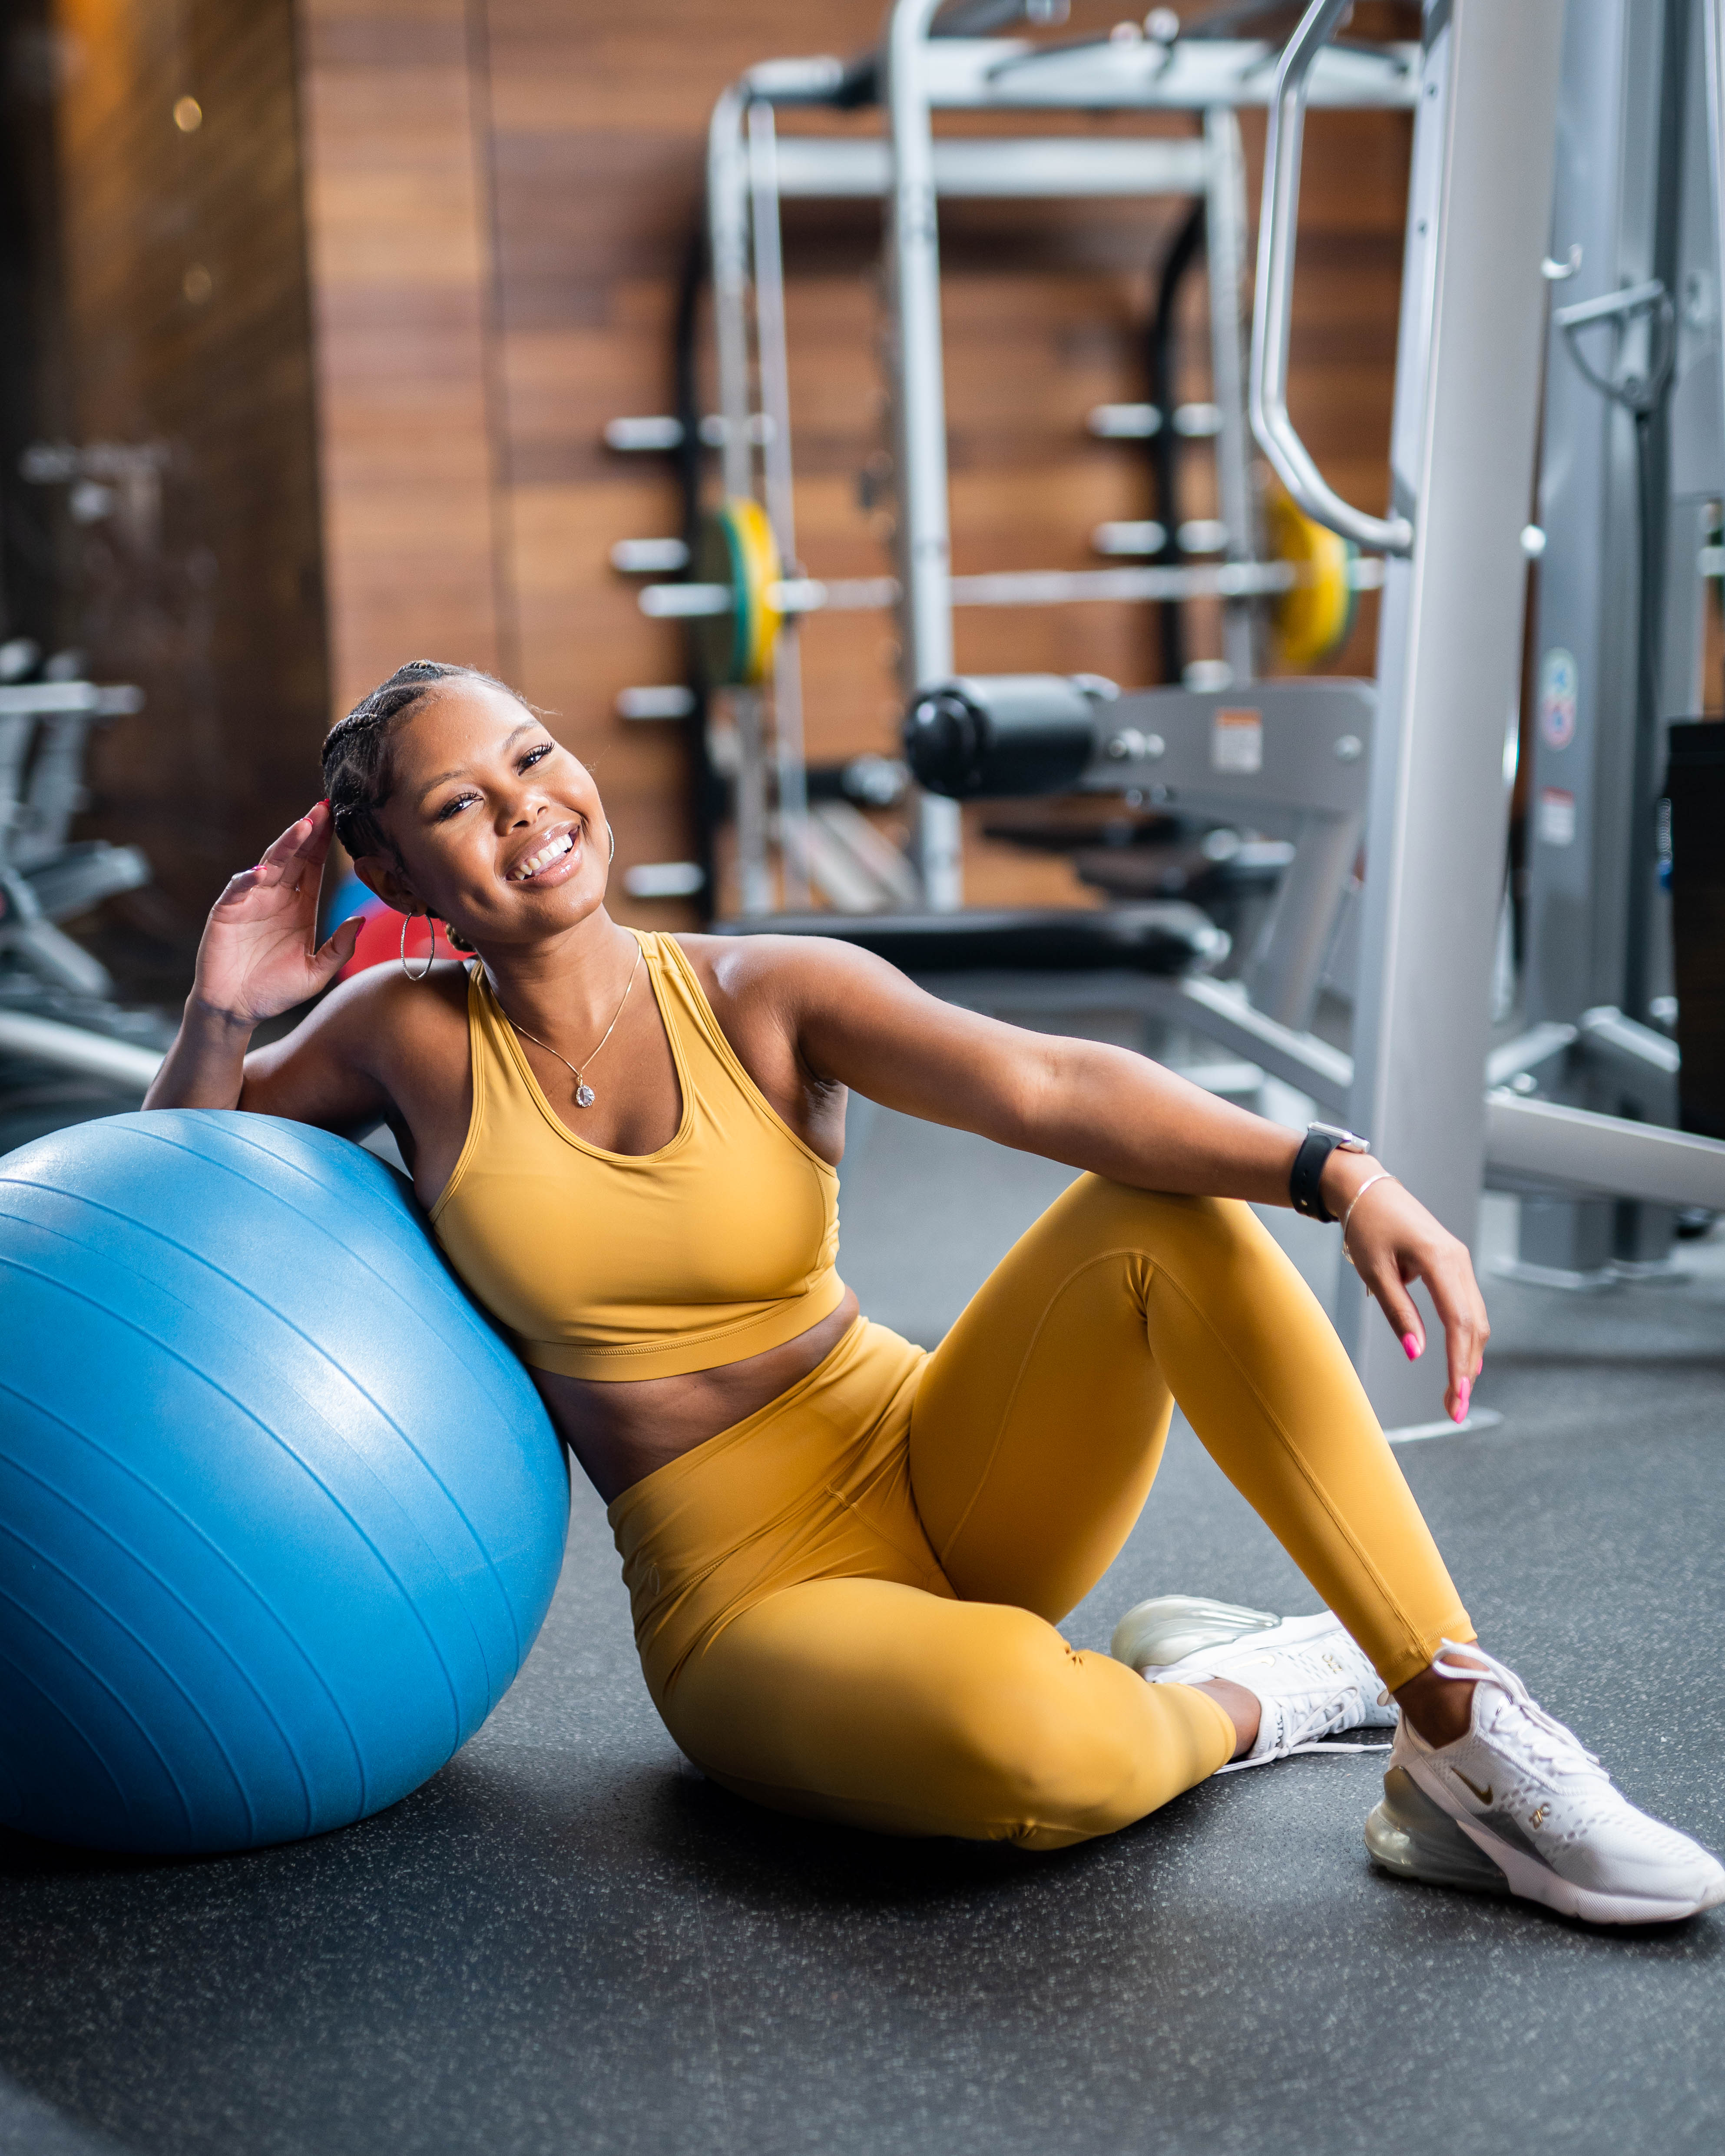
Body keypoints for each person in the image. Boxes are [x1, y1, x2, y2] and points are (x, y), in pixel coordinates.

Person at [145, 659, 1723, 1925]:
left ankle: (1452, 1726)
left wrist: (1338, 1168)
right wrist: (224, 1004)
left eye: (538, 758)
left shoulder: (767, 991)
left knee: (1163, 1218)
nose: (529, 812)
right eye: (459, 804)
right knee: (1039, 1757)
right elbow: (163, 1236)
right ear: (386, 859)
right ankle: (1254, 1685)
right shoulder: (400, 1036)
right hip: (745, 1590)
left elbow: (1043, 1080)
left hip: (938, 1462)